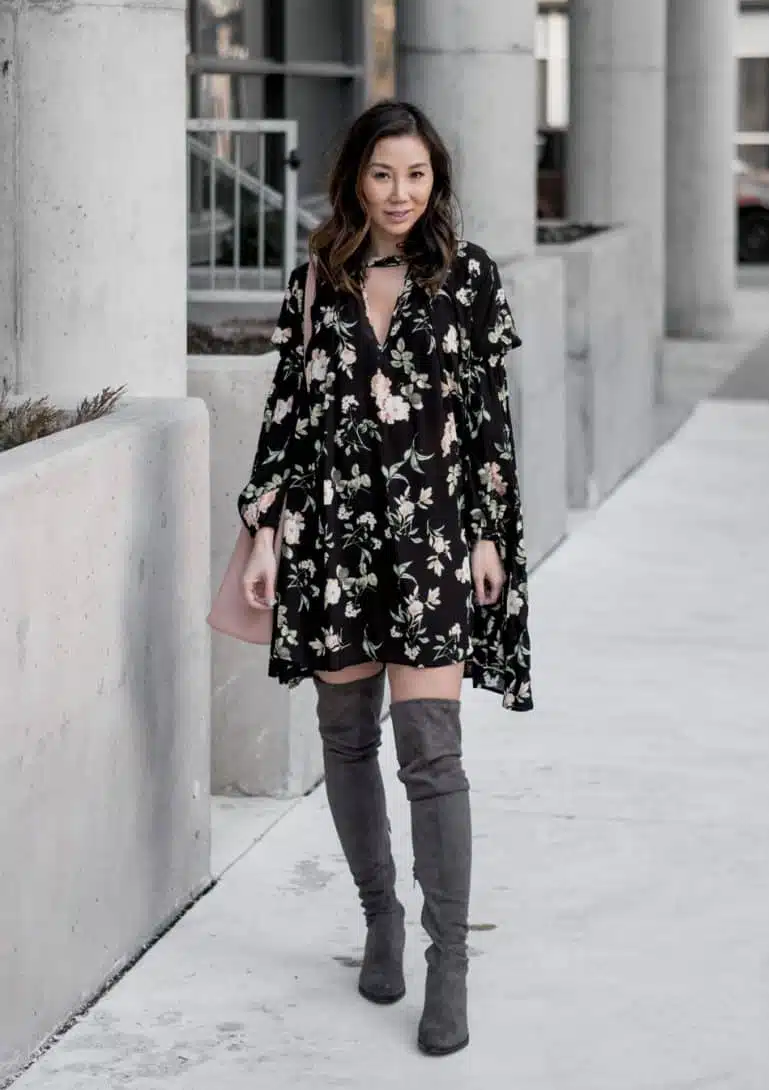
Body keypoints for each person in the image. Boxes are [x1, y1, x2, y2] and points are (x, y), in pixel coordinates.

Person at [238, 99, 532, 1057]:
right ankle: (379, 918)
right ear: (354, 179)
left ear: (435, 178)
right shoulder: (315, 281)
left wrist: (489, 535)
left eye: (416, 175)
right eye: (382, 174)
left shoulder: (470, 279)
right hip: (331, 538)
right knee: (345, 738)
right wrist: (268, 529)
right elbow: (285, 417)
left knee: (432, 753)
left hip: (430, 540)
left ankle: (449, 959)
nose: (400, 194)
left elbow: (490, 419)